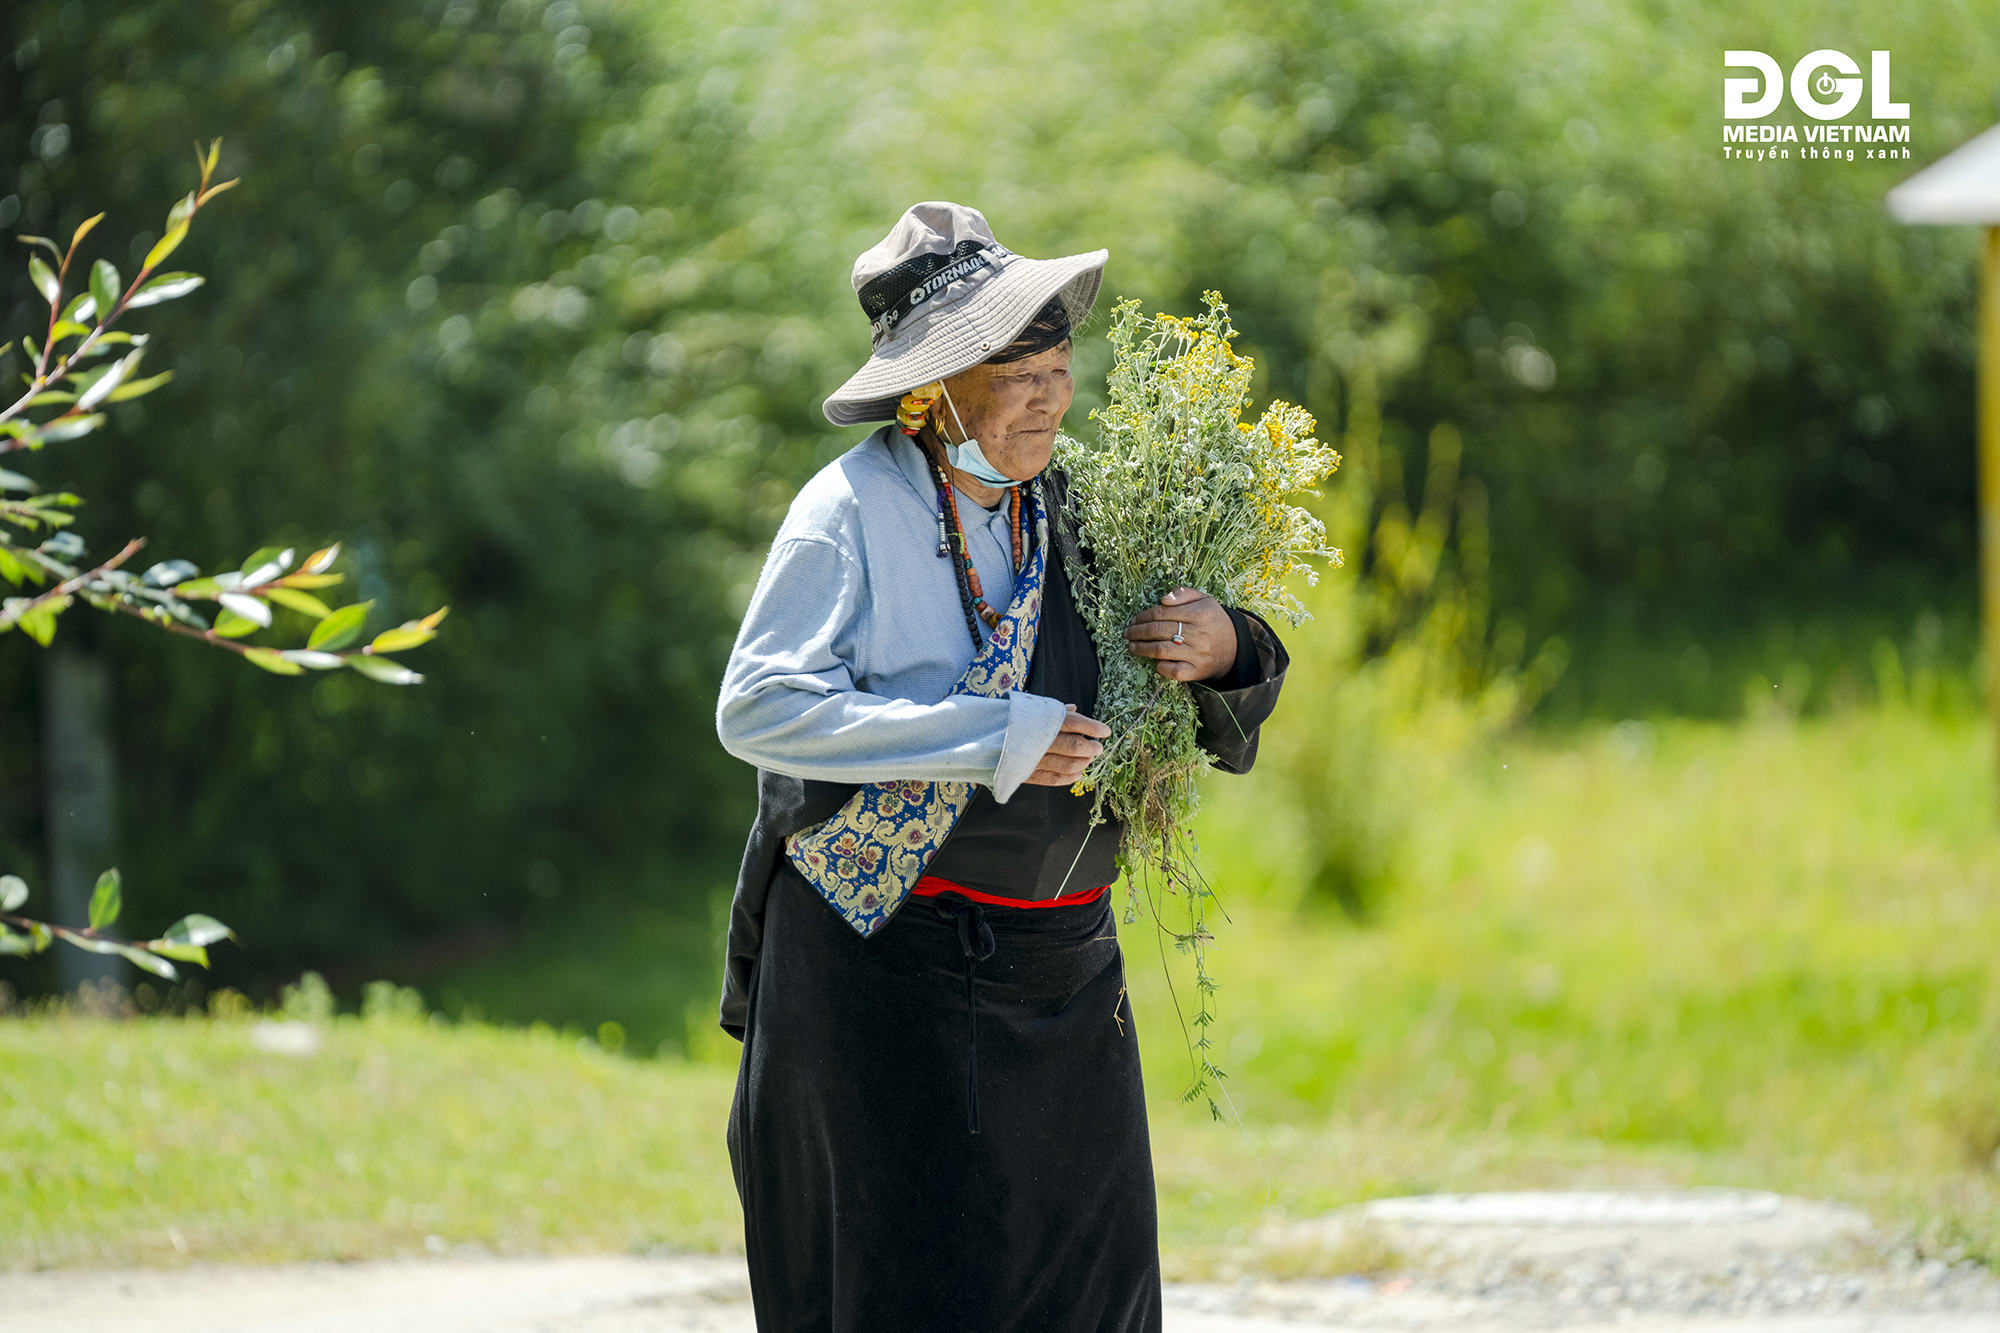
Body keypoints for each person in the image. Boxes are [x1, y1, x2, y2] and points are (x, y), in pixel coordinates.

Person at [714, 201, 1290, 1332]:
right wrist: (983, 737)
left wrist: (1223, 645)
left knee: (1090, 1294)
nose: (1048, 397)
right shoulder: (848, 511)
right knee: (905, 1288)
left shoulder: (1086, 510)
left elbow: (1209, 682)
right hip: (884, 974)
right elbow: (759, 705)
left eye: (1058, 368)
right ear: (931, 393)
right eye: (1015, 374)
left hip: (1061, 972)